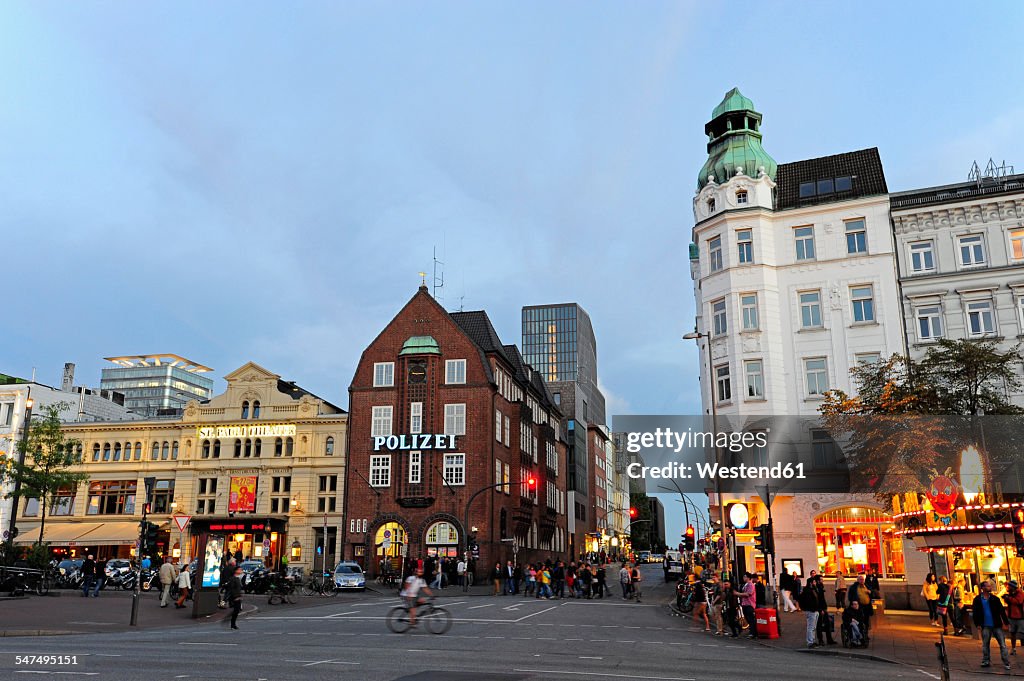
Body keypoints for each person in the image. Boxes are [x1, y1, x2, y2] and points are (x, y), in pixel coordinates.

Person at [973, 579, 1011, 670]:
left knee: (1002, 644)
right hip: (985, 625)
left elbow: (1001, 611)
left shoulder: (995, 599)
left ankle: (1006, 662)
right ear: (982, 588)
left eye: (989, 586)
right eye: (987, 586)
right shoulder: (978, 599)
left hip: (996, 624)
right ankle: (986, 660)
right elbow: (976, 612)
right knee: (985, 644)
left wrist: (1006, 622)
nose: (989, 587)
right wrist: (977, 624)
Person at [847, 574, 874, 642]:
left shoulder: (867, 586)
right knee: (860, 621)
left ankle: (866, 635)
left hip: (867, 606)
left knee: (866, 621)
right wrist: (854, 602)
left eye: (863, 580)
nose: (862, 581)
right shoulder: (854, 587)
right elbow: (850, 597)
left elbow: (872, 594)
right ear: (858, 580)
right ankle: (860, 634)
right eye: (861, 579)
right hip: (859, 607)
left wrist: (870, 592)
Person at [1003, 579, 1024, 654]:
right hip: (1011, 616)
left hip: (1020, 616)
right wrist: (1006, 598)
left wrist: (1008, 598)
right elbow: (1009, 603)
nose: (1008, 587)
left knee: (1022, 632)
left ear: (1013, 586)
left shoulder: (1020, 593)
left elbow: (1018, 601)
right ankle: (1013, 648)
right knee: (1012, 633)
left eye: (1009, 586)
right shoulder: (1010, 593)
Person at [798, 577, 820, 648]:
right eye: (814, 582)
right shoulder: (807, 591)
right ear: (811, 583)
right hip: (811, 611)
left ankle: (812, 640)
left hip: (815, 610)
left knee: (813, 627)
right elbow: (809, 601)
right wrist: (813, 608)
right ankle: (810, 642)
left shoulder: (813, 590)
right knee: (810, 627)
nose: (815, 583)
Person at [735, 572, 757, 639]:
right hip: (745, 603)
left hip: (749, 604)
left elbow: (748, 594)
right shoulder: (746, 584)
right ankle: (751, 632)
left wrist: (738, 594)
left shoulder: (751, 585)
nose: (743, 578)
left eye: (744, 577)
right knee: (748, 619)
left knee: (751, 619)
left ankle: (753, 633)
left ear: (748, 577)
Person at [227, 566, 243, 630]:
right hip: (235, 597)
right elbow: (232, 589)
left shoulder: (237, 578)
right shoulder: (233, 579)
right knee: (236, 610)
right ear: (235, 571)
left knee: (237, 610)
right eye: (239, 569)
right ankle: (232, 624)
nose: (241, 571)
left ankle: (233, 624)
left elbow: (238, 588)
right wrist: (236, 596)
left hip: (238, 596)